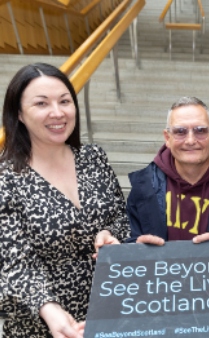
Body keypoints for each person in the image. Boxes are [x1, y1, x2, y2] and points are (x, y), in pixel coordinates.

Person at [0, 63, 130, 337]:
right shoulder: (6, 177)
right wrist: (48, 308)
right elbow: (14, 261)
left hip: (109, 306)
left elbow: (121, 216)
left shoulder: (94, 158)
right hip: (43, 320)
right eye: (41, 103)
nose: (57, 112)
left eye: (65, 101)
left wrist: (110, 234)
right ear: (19, 114)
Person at [126, 96, 209, 245]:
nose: (190, 140)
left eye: (200, 131)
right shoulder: (144, 185)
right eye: (180, 131)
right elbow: (129, 237)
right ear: (167, 138)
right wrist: (135, 247)